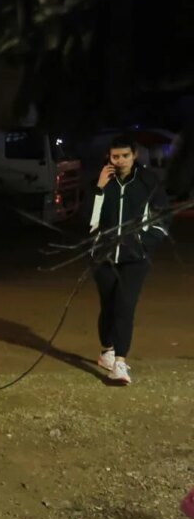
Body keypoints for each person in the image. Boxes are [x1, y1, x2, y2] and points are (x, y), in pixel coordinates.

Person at [89, 133, 170, 385]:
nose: (121, 160)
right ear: (109, 157)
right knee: (109, 305)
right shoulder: (103, 180)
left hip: (136, 257)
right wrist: (99, 189)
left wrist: (145, 242)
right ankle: (107, 351)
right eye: (116, 156)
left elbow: (162, 216)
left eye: (125, 155)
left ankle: (120, 364)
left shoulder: (148, 180)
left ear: (134, 155)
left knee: (125, 306)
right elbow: (87, 220)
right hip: (104, 257)